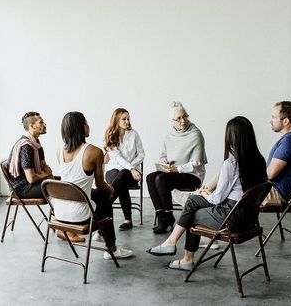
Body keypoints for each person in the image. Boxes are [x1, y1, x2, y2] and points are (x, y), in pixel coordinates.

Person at [146, 116, 267, 271]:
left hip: (231, 217)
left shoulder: (232, 163)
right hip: (249, 217)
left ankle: (184, 257)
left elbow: (217, 199)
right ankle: (171, 244)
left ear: (231, 137)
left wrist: (206, 194)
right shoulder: (259, 160)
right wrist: (206, 193)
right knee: (193, 202)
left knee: (191, 213)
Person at [51, 111, 133, 259]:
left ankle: (102, 234)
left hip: (59, 212)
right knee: (104, 195)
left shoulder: (59, 151)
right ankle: (111, 248)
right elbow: (101, 184)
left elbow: (72, 180)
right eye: (86, 123)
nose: (89, 126)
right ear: (81, 127)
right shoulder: (94, 152)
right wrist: (111, 189)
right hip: (79, 214)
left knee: (98, 195)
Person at [146, 101, 207, 234]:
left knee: (162, 179)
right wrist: (164, 162)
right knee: (150, 178)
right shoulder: (169, 136)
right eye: (178, 118)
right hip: (173, 173)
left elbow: (197, 163)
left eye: (185, 116)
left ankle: (168, 215)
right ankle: (163, 217)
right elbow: (163, 155)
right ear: (171, 121)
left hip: (192, 175)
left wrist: (177, 169)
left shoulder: (195, 134)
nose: (183, 121)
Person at [104, 108, 145, 231]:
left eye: (128, 118)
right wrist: (131, 168)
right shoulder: (110, 135)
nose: (127, 121)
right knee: (121, 178)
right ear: (116, 120)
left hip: (130, 174)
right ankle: (128, 220)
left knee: (122, 176)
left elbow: (141, 154)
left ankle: (104, 205)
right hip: (113, 170)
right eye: (124, 119)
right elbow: (116, 157)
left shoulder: (134, 134)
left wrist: (131, 167)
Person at [261, 101, 291, 206]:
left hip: (275, 193)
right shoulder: (290, 138)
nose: (270, 121)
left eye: (274, 117)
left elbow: (270, 174)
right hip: (270, 189)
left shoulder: (290, 141)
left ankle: (215, 203)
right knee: (233, 168)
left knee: (234, 179)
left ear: (285, 121)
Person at [8, 111, 54, 199]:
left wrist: (48, 174)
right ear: (32, 126)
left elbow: (44, 167)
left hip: (32, 184)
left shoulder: (36, 144)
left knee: (63, 182)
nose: (44, 125)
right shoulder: (26, 146)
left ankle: (61, 211)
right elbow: (31, 178)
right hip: (21, 188)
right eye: (41, 122)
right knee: (60, 188)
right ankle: (61, 212)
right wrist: (46, 174)